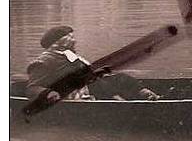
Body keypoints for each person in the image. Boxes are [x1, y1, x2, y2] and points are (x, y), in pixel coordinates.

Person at [26, 25, 158, 104]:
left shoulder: (71, 56)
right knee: (98, 84)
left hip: (88, 88)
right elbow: (32, 88)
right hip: (69, 96)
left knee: (120, 78)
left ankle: (145, 94)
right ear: (59, 43)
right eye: (70, 39)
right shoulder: (44, 61)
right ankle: (117, 101)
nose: (74, 41)